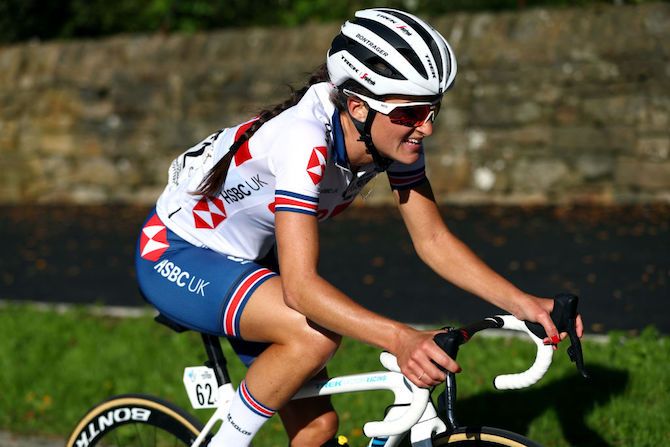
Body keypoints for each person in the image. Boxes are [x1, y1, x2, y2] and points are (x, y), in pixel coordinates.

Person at [135, 8, 583, 447]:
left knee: (317, 431)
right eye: (411, 114)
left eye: (433, 110)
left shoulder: (391, 137)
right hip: (176, 252)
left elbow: (433, 240)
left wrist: (524, 304)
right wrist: (400, 339)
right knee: (312, 335)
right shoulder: (303, 141)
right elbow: (301, 290)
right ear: (357, 106)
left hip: (246, 257)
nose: (425, 128)